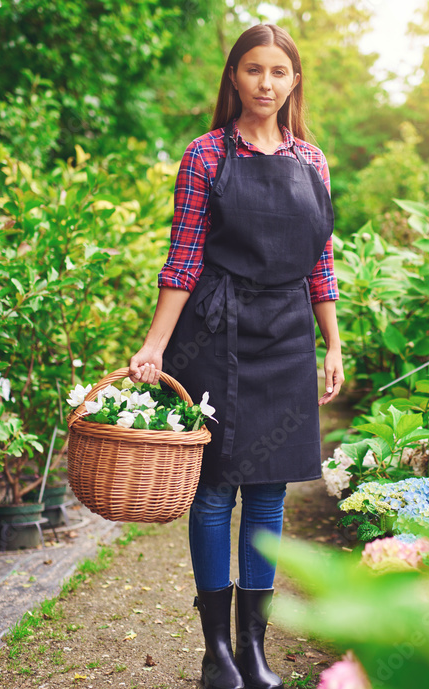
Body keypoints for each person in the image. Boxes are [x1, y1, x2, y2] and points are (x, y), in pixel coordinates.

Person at [127, 24, 343, 689]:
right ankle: (216, 653)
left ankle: (254, 648)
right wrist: (156, 343)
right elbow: (184, 258)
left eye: (279, 72)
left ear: (294, 82)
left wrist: (333, 339)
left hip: (285, 334)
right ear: (234, 77)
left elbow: (321, 260)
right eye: (254, 70)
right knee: (217, 488)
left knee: (270, 489)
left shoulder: (313, 161)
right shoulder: (205, 156)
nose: (266, 83)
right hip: (215, 331)